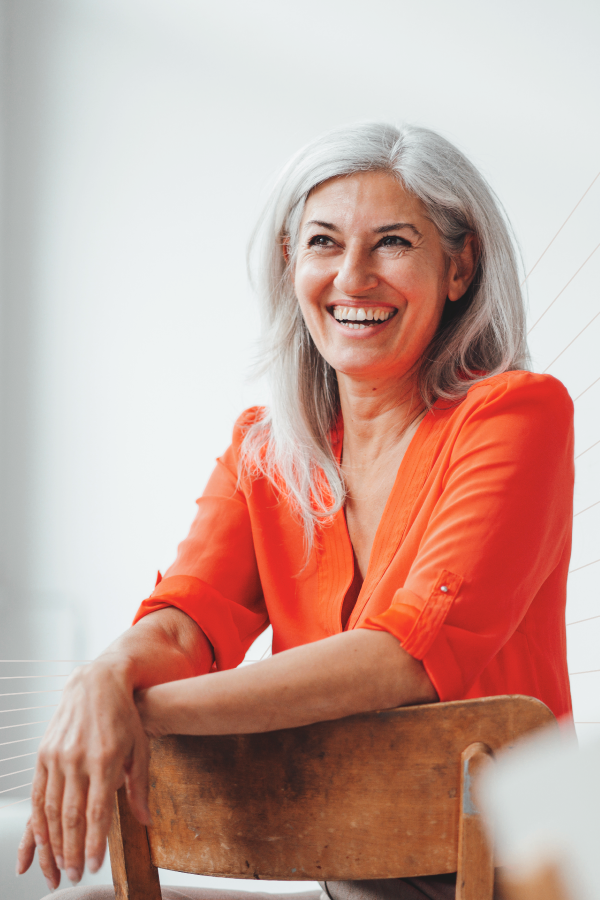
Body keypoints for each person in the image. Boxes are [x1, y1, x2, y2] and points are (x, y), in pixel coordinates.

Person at [19, 122, 574, 900]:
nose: (353, 277)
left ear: (459, 267)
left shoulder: (520, 414)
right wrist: (102, 678)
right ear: (291, 265)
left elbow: (406, 657)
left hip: (519, 871)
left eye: (392, 243)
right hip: (346, 864)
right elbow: (184, 624)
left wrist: (132, 712)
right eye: (323, 242)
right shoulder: (263, 451)